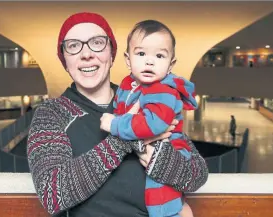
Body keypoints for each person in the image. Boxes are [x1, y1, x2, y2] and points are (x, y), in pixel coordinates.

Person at [27, 12, 208, 217]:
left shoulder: (147, 97)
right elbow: (53, 194)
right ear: (64, 60)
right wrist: (125, 137)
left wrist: (162, 161)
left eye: (97, 43)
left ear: (112, 54)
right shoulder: (51, 114)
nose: (86, 54)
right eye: (73, 45)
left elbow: (197, 175)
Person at [100, 20, 198, 217]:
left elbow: (154, 124)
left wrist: (115, 124)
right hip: (148, 151)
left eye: (159, 55)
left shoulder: (163, 90)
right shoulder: (128, 85)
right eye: (141, 54)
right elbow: (123, 110)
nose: (149, 61)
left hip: (170, 150)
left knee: (159, 199)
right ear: (128, 60)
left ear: (171, 64)